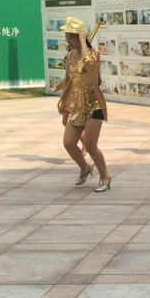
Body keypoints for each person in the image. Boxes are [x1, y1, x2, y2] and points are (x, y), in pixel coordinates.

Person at [56, 16, 111, 192]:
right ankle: (85, 167)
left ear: (80, 36)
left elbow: (87, 64)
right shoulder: (69, 56)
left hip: (94, 104)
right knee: (68, 142)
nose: (68, 40)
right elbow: (70, 79)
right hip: (77, 103)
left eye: (71, 37)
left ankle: (105, 177)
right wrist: (63, 97)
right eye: (67, 37)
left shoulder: (93, 54)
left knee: (91, 144)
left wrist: (82, 41)